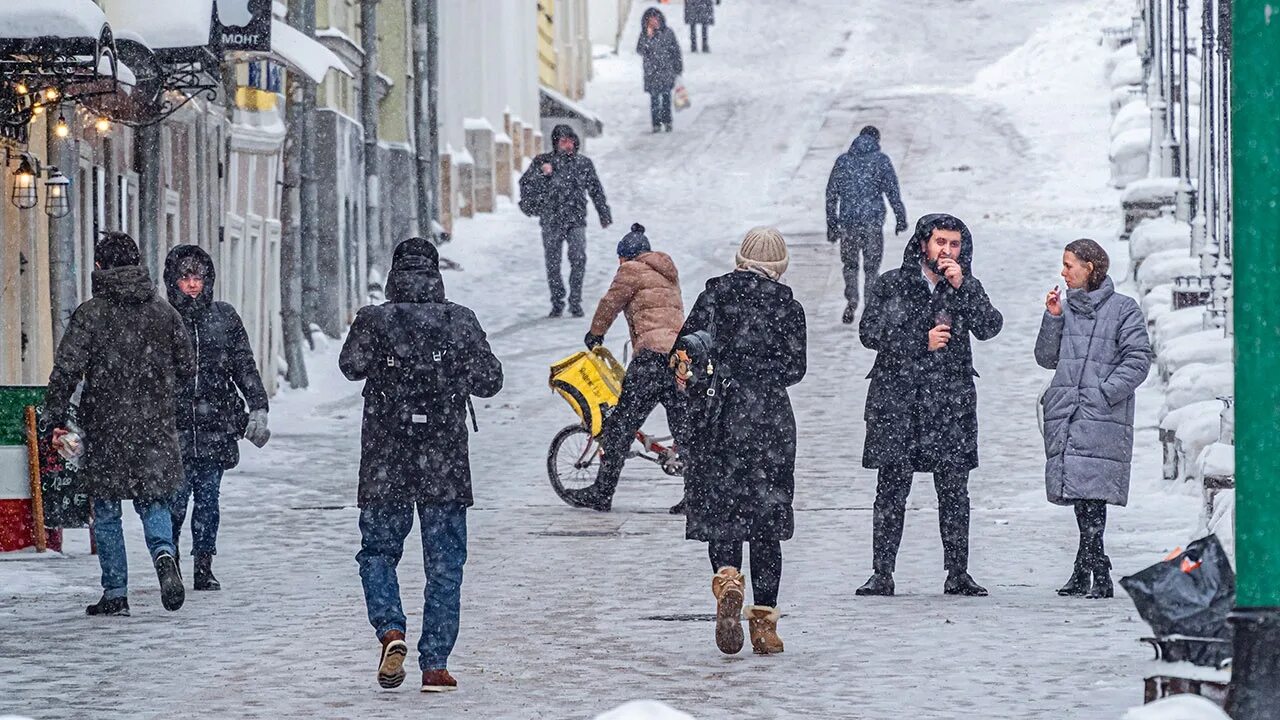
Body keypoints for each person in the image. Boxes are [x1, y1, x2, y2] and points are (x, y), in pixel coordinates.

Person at [339, 237, 503, 693]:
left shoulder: (374, 319)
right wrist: (451, 370)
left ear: (394, 274)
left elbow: (350, 366)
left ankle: (391, 631)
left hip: (384, 459)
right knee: (445, 564)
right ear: (436, 273)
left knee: (377, 553)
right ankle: (435, 664)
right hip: (443, 463)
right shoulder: (459, 320)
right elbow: (491, 380)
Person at [43, 231, 195, 616]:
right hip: (154, 426)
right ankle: (164, 554)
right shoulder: (164, 312)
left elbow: (66, 370)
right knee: (153, 498)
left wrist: (54, 417)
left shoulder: (91, 314)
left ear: (99, 267)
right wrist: (162, 397)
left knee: (107, 510)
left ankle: (116, 592)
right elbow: (187, 365)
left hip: (107, 425)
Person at [855, 214, 1003, 597]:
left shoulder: (964, 287)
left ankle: (958, 572)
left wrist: (964, 286)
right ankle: (882, 573)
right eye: (940, 242)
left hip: (949, 405)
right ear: (923, 244)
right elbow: (870, 332)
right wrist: (919, 339)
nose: (947, 251)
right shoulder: (892, 284)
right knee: (891, 490)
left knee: (954, 491)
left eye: (954, 244)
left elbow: (990, 326)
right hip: (898, 402)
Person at [676, 227, 806, 656]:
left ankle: (728, 577)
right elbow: (795, 370)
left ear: (740, 258)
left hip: (722, 417)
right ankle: (765, 625)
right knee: (766, 523)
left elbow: (684, 350)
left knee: (724, 511)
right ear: (780, 266)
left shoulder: (715, 296)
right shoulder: (788, 307)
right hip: (769, 419)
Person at [1035, 239, 1151, 599]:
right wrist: (1053, 317)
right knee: (1082, 492)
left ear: (1090, 267)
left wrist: (1105, 392)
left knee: (1093, 495)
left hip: (1102, 414)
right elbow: (1045, 357)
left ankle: (1092, 569)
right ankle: (1091, 568)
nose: (1063, 272)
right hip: (1068, 412)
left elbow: (1138, 359)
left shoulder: (1123, 309)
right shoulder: (1066, 309)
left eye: (1070, 265)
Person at [162, 245, 271, 592]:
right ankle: (171, 562)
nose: (192, 285)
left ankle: (203, 564)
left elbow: (243, 363)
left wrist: (257, 403)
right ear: (173, 281)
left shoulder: (224, 317)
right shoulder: (163, 318)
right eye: (185, 278)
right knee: (175, 502)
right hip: (174, 425)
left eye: (197, 278)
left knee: (208, 501)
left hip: (215, 425)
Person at [561, 223, 688, 513]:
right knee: (685, 428)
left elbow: (610, 303)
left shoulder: (631, 270)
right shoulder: (667, 272)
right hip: (677, 359)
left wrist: (596, 334)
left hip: (651, 360)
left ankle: (602, 493)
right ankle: (696, 495)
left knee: (619, 427)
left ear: (625, 256)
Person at [519, 124, 612, 317]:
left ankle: (575, 301)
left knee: (578, 258)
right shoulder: (543, 161)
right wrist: (541, 174)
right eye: (563, 141)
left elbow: (596, 189)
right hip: (551, 220)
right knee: (553, 263)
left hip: (575, 220)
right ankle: (557, 301)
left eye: (571, 141)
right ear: (555, 143)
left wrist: (604, 213)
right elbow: (525, 185)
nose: (568, 145)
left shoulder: (583, 164)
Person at [825, 125, 909, 324]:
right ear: (876, 140)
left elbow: (831, 195)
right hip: (872, 223)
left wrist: (832, 223)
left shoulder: (843, 161)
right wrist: (900, 217)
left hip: (848, 223)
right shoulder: (881, 161)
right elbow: (892, 191)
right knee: (872, 268)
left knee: (850, 265)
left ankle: (852, 300)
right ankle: (870, 307)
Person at [636, 8, 683, 133]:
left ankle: (667, 121)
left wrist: (678, 67)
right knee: (654, 100)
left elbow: (675, 51)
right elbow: (640, 50)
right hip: (651, 73)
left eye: (655, 19)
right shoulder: (645, 34)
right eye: (651, 19)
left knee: (666, 98)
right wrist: (647, 37)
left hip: (666, 71)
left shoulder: (668, 33)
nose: (654, 21)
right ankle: (656, 123)